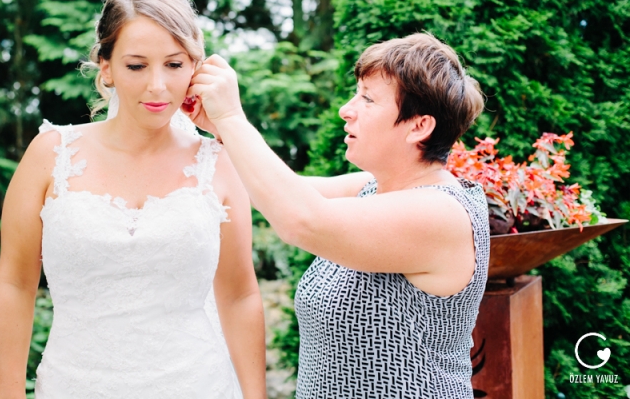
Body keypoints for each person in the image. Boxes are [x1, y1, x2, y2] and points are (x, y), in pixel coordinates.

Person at [0, 0, 266, 399]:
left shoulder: (220, 161)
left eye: (174, 65)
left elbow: (240, 295)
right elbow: (15, 283)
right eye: (137, 66)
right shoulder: (51, 154)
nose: (157, 85)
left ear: (196, 67)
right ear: (106, 68)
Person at [187, 33, 489, 398]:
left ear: (419, 126)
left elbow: (300, 220)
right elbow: (269, 190)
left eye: (368, 99)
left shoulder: (440, 212)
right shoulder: (371, 187)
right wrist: (219, 128)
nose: (347, 109)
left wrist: (232, 117)